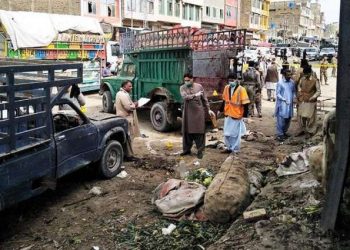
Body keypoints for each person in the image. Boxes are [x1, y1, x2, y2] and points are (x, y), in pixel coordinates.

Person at [180, 73, 215, 159]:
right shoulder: (182, 88)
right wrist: (195, 95)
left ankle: (200, 151)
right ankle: (186, 150)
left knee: (199, 131)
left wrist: (209, 109)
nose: (186, 82)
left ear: (192, 79)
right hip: (188, 112)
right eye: (185, 80)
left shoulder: (199, 86)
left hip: (198, 112)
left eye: (188, 80)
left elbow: (204, 99)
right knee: (187, 131)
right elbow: (185, 97)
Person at [220, 73, 250, 154]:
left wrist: (245, 116)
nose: (230, 82)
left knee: (235, 134)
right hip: (228, 113)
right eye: (229, 80)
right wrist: (220, 110)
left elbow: (245, 104)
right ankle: (229, 147)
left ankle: (235, 149)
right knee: (227, 133)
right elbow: (224, 100)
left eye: (232, 80)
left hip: (237, 115)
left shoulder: (241, 89)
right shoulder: (226, 88)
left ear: (236, 80)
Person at [115, 80, 140, 161]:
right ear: (124, 86)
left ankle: (127, 155)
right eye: (129, 86)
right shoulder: (122, 94)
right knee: (128, 137)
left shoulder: (123, 93)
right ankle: (129, 156)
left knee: (128, 138)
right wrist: (135, 104)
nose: (131, 87)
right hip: (125, 119)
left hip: (125, 118)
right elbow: (129, 107)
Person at [296, 65, 321, 138]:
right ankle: (303, 130)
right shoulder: (302, 79)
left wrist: (313, 97)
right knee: (302, 116)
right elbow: (299, 87)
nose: (305, 76)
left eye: (307, 74)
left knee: (310, 117)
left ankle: (310, 131)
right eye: (304, 74)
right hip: (302, 100)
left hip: (311, 101)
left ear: (310, 73)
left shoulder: (315, 80)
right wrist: (300, 94)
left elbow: (318, 91)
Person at [275, 70, 296, 141]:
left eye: (290, 75)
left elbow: (293, 92)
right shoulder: (280, 83)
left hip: (290, 104)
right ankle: (280, 134)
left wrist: (294, 99)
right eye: (288, 75)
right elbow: (278, 94)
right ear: (284, 75)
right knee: (281, 119)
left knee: (288, 118)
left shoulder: (292, 82)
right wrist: (284, 99)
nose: (289, 76)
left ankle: (284, 132)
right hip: (282, 104)